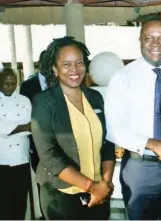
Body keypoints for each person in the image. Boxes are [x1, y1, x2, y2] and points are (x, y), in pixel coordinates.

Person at [105, 18, 161, 220]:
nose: (155, 44)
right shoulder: (122, 78)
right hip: (139, 171)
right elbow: (113, 128)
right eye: (149, 38)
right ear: (140, 40)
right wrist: (152, 144)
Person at [31, 36, 115, 220]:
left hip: (98, 193)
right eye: (67, 64)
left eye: (79, 63)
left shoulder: (95, 97)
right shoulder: (44, 103)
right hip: (60, 196)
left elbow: (107, 143)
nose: (74, 69)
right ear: (55, 69)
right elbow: (49, 155)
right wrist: (91, 186)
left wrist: (105, 184)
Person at [0, 67, 32, 220]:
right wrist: (20, 127)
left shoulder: (24, 100)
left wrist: (9, 129)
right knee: (3, 203)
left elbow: (31, 126)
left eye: (13, 83)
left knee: (20, 201)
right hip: (2, 160)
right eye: (6, 84)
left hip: (21, 159)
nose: (10, 87)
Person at [20, 50, 47, 172]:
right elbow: (24, 113)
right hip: (36, 140)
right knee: (40, 175)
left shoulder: (59, 83)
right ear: (39, 62)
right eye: (45, 61)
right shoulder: (27, 85)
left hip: (58, 139)